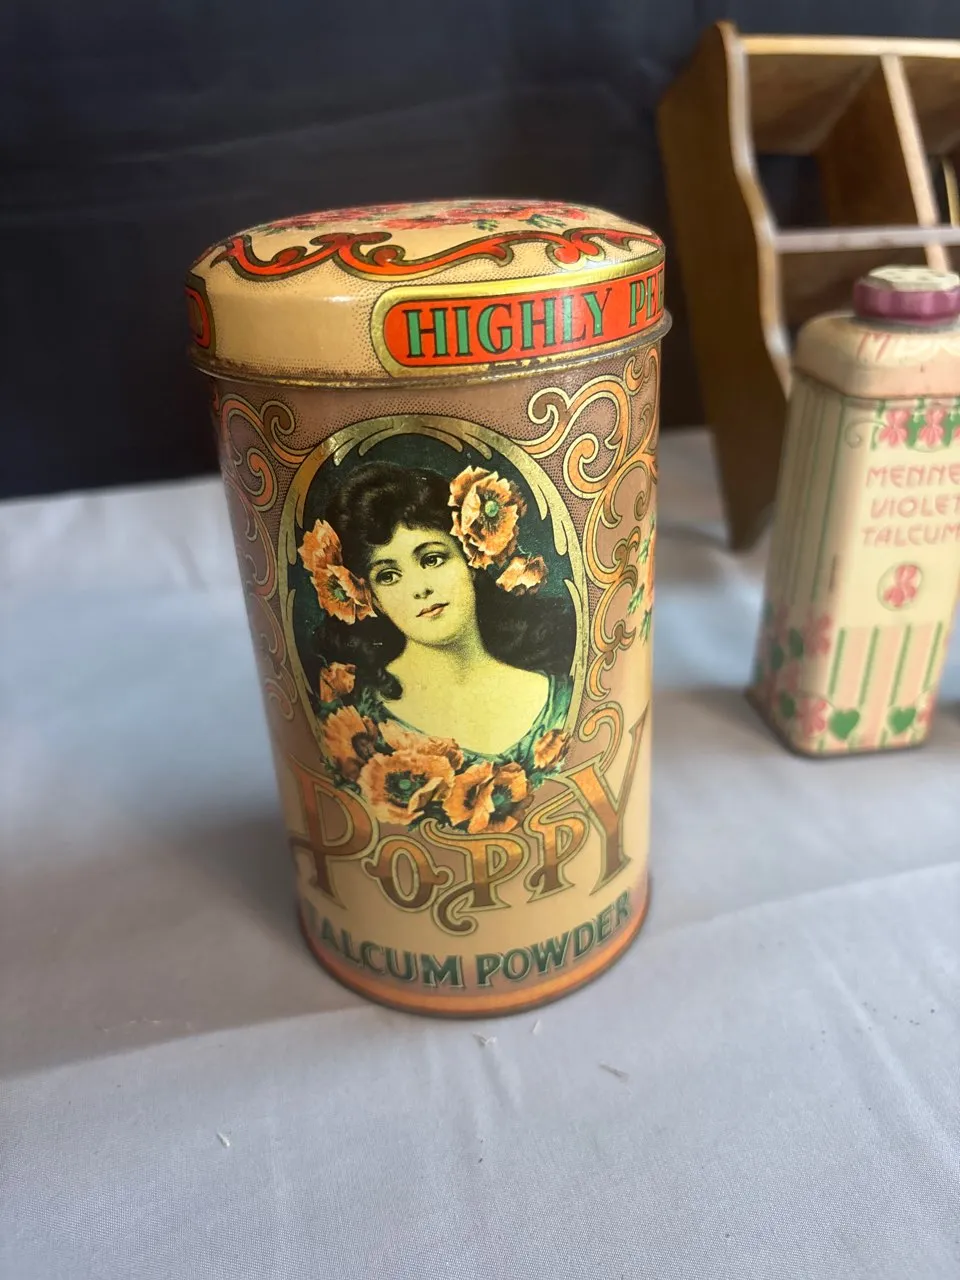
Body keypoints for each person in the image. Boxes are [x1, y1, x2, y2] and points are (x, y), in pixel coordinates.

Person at [297, 459, 575, 832]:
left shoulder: (557, 697)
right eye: (389, 575)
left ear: (471, 560)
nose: (419, 588)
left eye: (432, 559)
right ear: (372, 598)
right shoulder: (359, 723)